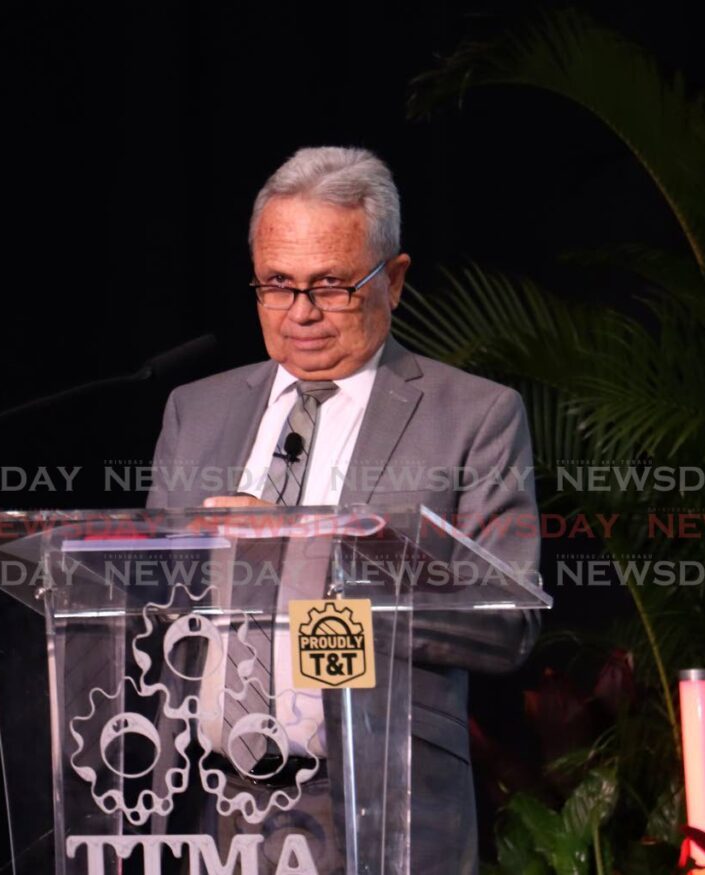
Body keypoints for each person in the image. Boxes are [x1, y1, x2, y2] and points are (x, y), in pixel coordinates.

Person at [146, 146, 541, 873]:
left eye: (330, 285)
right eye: (277, 284)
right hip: (205, 807)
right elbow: (150, 597)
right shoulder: (195, 412)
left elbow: (504, 621)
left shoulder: (473, 416)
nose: (301, 313)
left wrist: (313, 556)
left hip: (377, 802)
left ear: (393, 278)